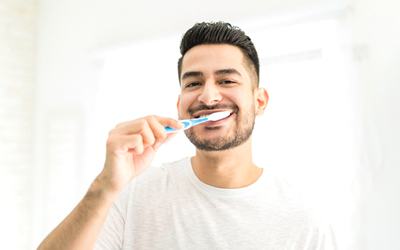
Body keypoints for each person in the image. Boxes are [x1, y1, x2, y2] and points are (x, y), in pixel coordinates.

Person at [38, 21, 336, 250]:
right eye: (193, 83)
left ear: (259, 101)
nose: (208, 96)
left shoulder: (303, 219)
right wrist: (105, 185)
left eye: (226, 79)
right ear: (179, 104)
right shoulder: (134, 194)